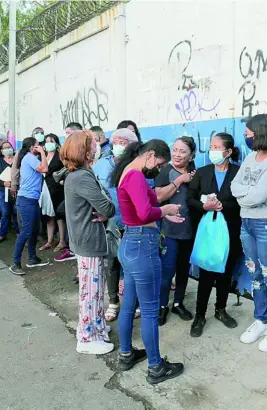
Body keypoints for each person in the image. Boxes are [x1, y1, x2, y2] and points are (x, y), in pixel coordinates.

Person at [112, 139, 185, 384]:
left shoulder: (127, 173)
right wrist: (166, 211)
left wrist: (167, 213)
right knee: (151, 311)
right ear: (150, 155)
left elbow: (146, 203)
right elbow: (145, 213)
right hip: (142, 247)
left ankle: (126, 354)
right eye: (159, 164)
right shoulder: (134, 176)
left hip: (131, 245)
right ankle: (156, 367)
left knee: (129, 305)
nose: (157, 169)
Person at [230, 114, 267, 352]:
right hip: (247, 224)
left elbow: (259, 196)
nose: (245, 137)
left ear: (260, 132)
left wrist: (246, 194)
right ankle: (262, 320)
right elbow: (235, 186)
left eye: (248, 133)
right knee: (255, 275)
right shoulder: (251, 157)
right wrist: (247, 193)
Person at [60, 130, 116, 354]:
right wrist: (105, 208)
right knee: (90, 292)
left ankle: (96, 326)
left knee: (94, 290)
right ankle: (87, 337)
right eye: (93, 144)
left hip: (87, 239)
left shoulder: (79, 173)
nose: (97, 147)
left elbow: (103, 203)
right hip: (88, 240)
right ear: (83, 150)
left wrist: (104, 206)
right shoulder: (82, 176)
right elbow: (108, 207)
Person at [188, 132, 241, 337]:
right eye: (211, 146)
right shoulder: (202, 172)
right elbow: (190, 199)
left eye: (217, 147)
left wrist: (220, 205)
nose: (213, 151)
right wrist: (205, 206)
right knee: (207, 274)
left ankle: (221, 309)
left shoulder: (238, 172)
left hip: (230, 230)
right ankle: (200, 316)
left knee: (225, 273)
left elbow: (242, 200)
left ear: (228, 152)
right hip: (207, 231)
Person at [92, 128, 139, 322]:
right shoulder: (101, 165)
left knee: (132, 265)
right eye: (116, 142)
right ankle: (113, 302)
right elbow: (95, 190)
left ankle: (132, 302)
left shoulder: (138, 164)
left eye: (123, 142)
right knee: (112, 263)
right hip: (111, 222)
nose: (118, 146)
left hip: (133, 222)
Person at [154, 136, 197, 325]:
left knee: (183, 269)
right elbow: (158, 197)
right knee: (167, 271)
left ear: (191, 155)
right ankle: (162, 306)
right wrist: (180, 180)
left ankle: (178, 302)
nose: (177, 154)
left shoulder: (195, 170)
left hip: (189, 231)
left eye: (183, 151)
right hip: (169, 231)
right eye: (175, 149)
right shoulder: (165, 171)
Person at [9, 137, 50, 275]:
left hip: (31, 199)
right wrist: (43, 153)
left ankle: (32, 258)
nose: (40, 147)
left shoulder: (28, 158)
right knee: (26, 231)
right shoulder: (30, 157)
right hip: (26, 200)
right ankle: (15, 263)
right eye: (38, 145)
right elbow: (44, 168)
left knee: (33, 230)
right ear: (33, 147)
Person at [39, 134, 67, 252]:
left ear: (56, 143)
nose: (48, 143)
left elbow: (67, 169)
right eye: (46, 141)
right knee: (49, 216)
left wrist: (63, 180)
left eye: (51, 141)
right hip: (44, 188)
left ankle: (62, 241)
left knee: (59, 215)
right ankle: (49, 241)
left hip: (57, 189)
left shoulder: (60, 156)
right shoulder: (42, 156)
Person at [0, 141, 18, 242]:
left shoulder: (17, 159)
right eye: (5, 148)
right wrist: (3, 183)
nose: (8, 149)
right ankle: (2, 233)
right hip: (2, 190)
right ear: (1, 151)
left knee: (16, 211)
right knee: (5, 212)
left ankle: (18, 231)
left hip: (15, 189)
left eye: (9, 147)